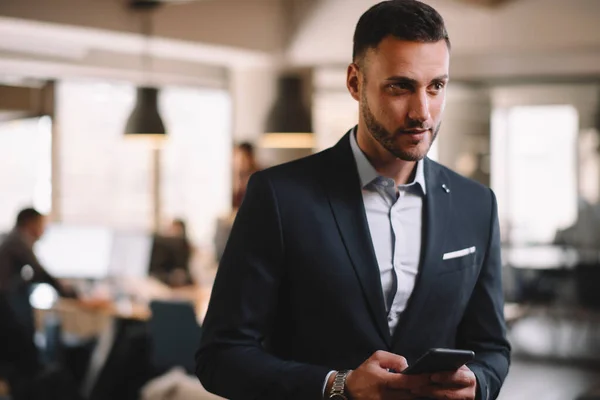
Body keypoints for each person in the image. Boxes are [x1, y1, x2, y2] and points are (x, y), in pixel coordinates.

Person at [196, 1, 510, 399]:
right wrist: (337, 386)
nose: (422, 112)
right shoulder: (279, 197)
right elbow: (220, 356)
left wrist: (478, 384)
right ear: (355, 83)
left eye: (436, 86)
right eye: (401, 86)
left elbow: (493, 348)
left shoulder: (476, 205)